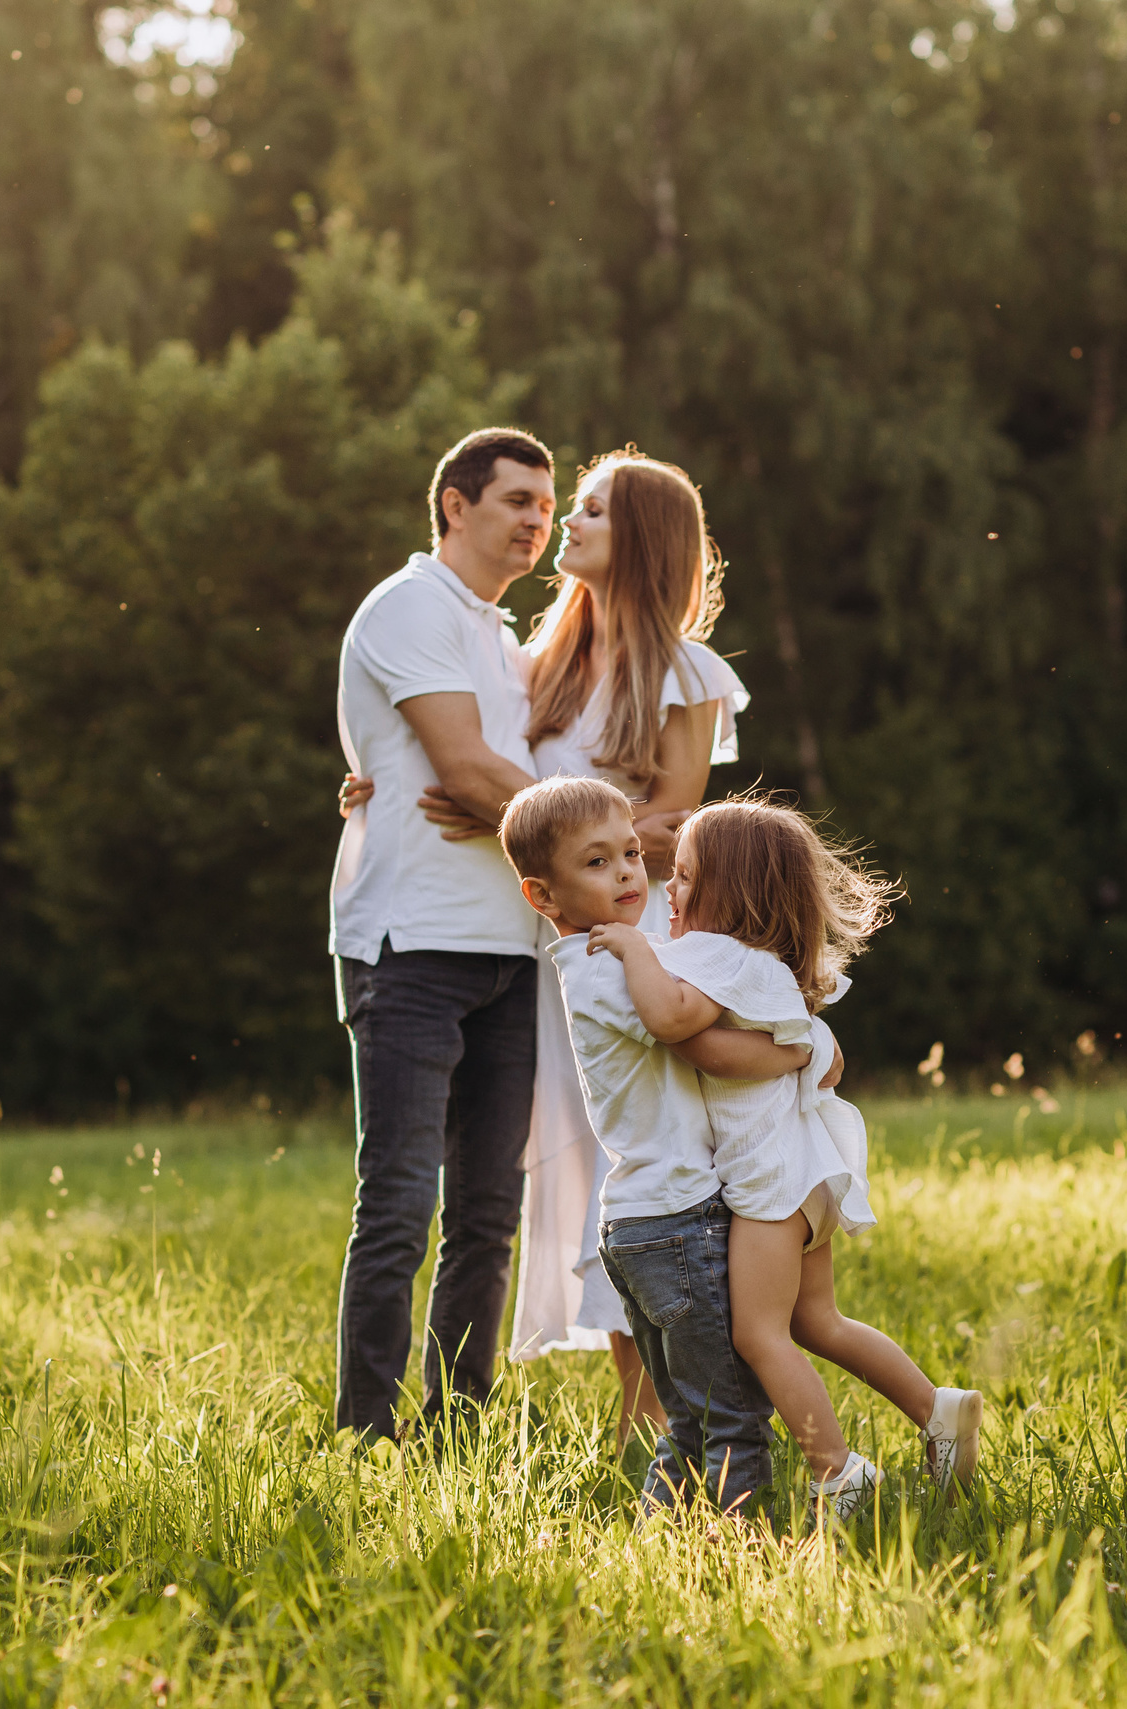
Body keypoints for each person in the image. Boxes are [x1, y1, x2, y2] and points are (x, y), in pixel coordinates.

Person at [342, 453, 747, 1443]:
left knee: (647, 1159)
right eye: (540, 503)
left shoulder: (686, 672)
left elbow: (673, 828)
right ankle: (628, 1419)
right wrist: (377, 777)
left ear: (641, 538)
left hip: (634, 942)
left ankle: (666, 1418)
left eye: (585, 508)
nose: (560, 521)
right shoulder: (537, 662)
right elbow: (463, 749)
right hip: (548, 954)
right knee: (586, 1171)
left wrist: (527, 821)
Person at [589, 798, 984, 1510]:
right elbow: (802, 1052)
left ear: (730, 893)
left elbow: (679, 1026)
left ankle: (839, 1475)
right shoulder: (764, 962)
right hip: (810, 1175)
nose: (668, 888)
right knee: (817, 1322)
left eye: (685, 876)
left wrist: (633, 948)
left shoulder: (715, 954)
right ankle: (937, 1410)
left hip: (769, 1183)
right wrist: (803, 1050)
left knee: (759, 1334)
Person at [326, 426, 560, 1441]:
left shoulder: (503, 641)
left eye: (546, 506)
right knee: (396, 1206)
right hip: (410, 946)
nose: (537, 521)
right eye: (517, 500)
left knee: (486, 1216)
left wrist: (527, 811)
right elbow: (464, 770)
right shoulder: (410, 604)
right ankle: (364, 1438)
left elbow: (489, 778)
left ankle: (456, 1429)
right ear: (455, 505)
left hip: (510, 948)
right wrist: (597, 835)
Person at [495, 775, 815, 1512]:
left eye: (632, 853)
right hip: (677, 1218)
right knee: (732, 1409)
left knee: (690, 1416)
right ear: (543, 896)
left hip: (650, 1219)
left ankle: (660, 1526)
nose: (627, 873)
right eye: (597, 862)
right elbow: (684, 1018)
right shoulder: (604, 965)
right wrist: (795, 1043)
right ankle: (739, 1542)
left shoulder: (623, 954)